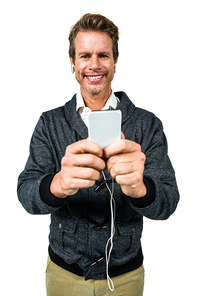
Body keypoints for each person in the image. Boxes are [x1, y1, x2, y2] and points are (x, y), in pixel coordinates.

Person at [17, 13, 179, 296]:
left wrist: (141, 189)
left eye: (103, 55)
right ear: (72, 63)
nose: (94, 65)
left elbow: (168, 202)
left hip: (125, 275)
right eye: (84, 56)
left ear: (115, 61)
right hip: (64, 274)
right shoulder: (49, 123)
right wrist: (57, 185)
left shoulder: (147, 124)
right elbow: (26, 193)